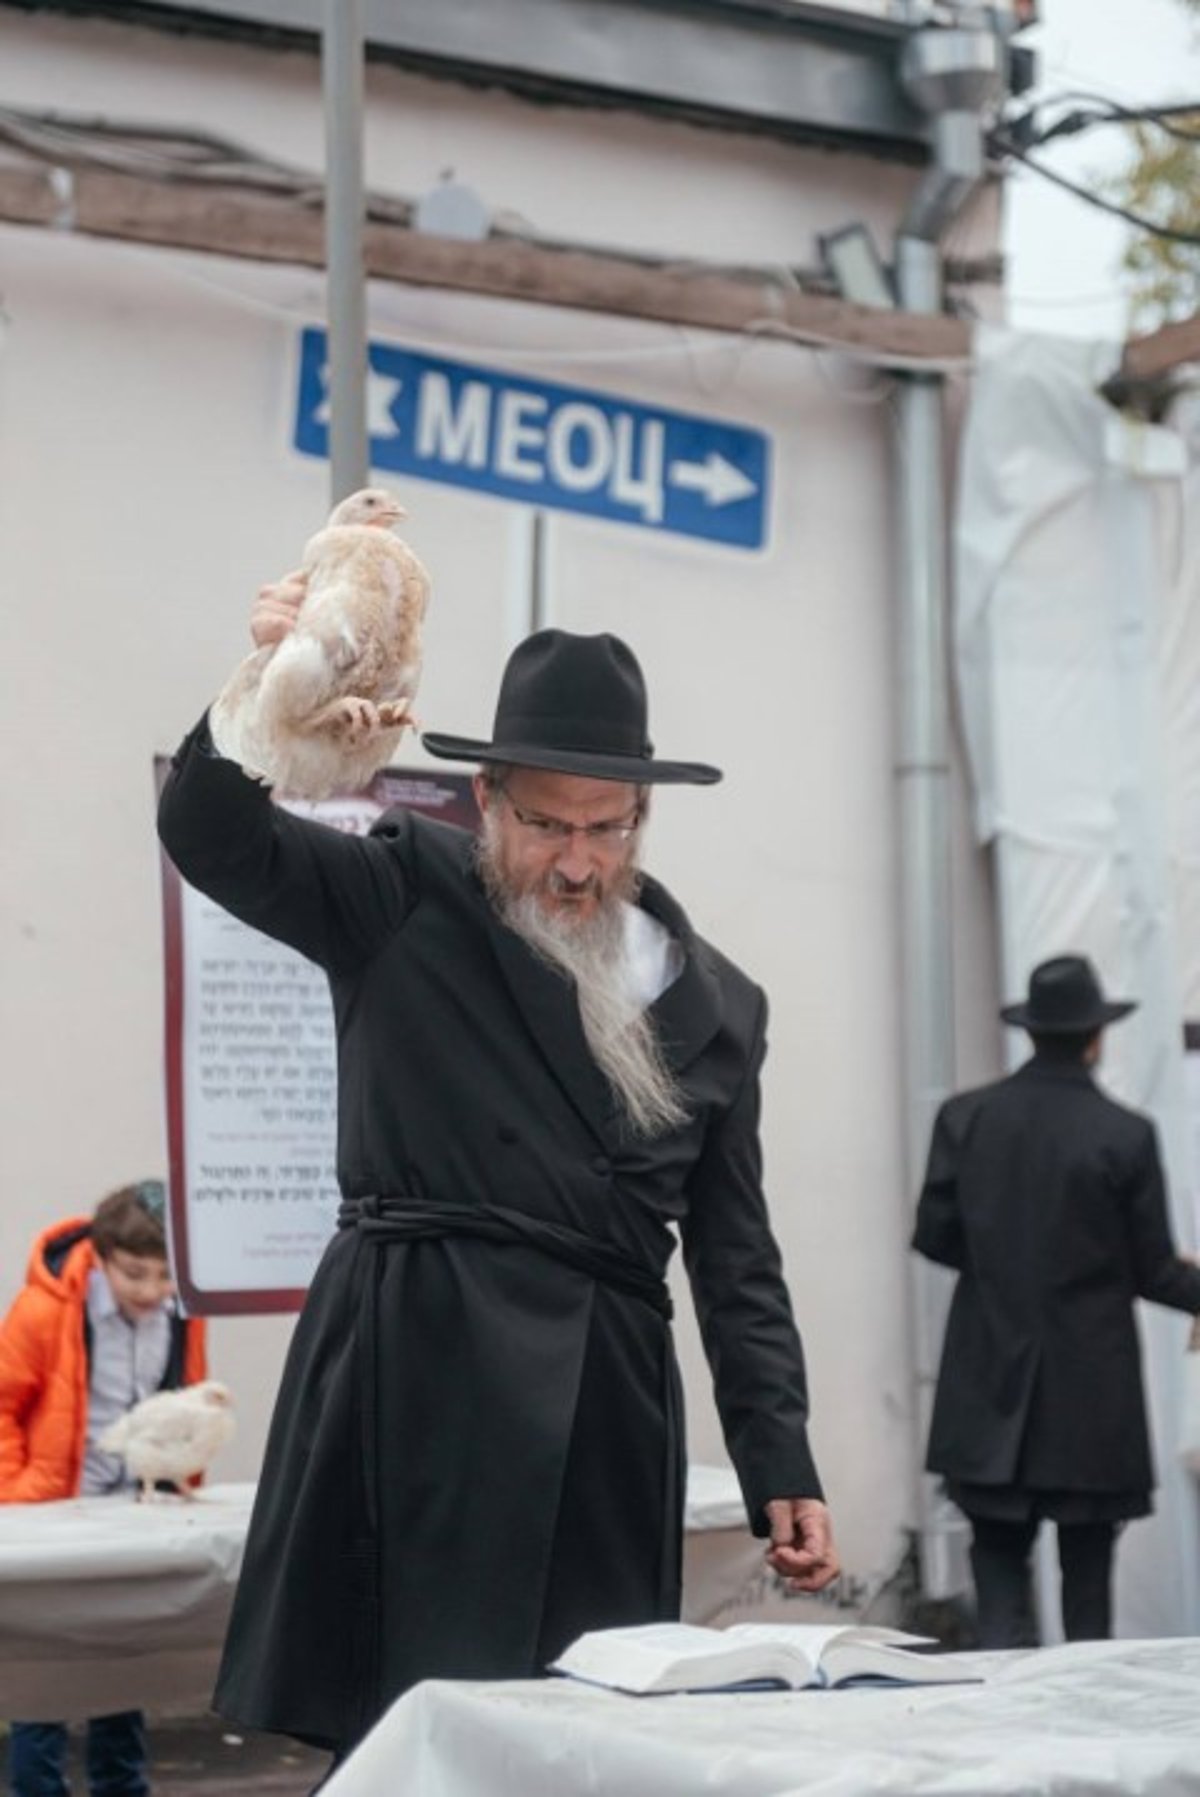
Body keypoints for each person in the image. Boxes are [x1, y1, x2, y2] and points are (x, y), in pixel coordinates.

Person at [157, 602, 839, 1770]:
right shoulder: (400, 897)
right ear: (484, 802)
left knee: (582, 1737)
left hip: (607, 1413)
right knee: (400, 1734)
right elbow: (211, 834)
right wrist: (272, 682)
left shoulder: (723, 1005)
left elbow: (736, 1259)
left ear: (642, 819)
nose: (576, 862)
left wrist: (782, 1459)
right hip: (414, 1365)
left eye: (607, 829)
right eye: (544, 824)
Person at [913, 954, 1200, 1648]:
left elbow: (933, 1237)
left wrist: (1006, 1267)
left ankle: (1005, 1742)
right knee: (1088, 1595)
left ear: (1032, 1032)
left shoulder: (965, 1117)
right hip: (1091, 1399)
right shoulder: (1124, 1134)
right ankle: (1080, 1747)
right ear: (1095, 1036)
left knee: (1001, 1586)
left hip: (988, 1389)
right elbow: (1152, 1269)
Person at [0, 1181, 207, 1797]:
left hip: (134, 1509)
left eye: (165, 1276)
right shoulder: (45, 1311)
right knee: (49, 1671)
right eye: (135, 1274)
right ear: (101, 1255)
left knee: (124, 1664)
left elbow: (186, 1390)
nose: (151, 1291)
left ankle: (124, 1788)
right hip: (55, 1513)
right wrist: (17, 1494)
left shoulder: (181, 1311)